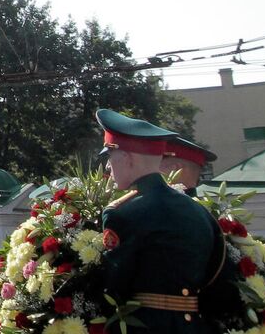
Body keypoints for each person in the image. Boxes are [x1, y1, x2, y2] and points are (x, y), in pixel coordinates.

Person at [95, 109, 227, 334]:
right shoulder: (200, 212)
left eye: (110, 157)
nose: (108, 167)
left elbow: (112, 287)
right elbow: (217, 274)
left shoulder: (122, 213)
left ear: (126, 158)